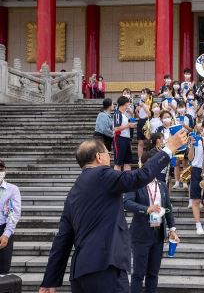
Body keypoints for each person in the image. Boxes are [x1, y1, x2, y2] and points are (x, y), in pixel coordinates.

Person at [39, 132, 187, 293]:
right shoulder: (103, 174)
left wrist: (49, 281)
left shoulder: (74, 191)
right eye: (107, 154)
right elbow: (140, 176)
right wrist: (169, 148)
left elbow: (63, 238)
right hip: (105, 268)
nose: (110, 157)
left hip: (80, 273)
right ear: (98, 157)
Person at [123, 150, 180, 293]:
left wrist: (172, 229)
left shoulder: (162, 185)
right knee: (138, 274)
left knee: (153, 274)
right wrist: (146, 209)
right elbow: (127, 202)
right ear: (142, 164)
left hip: (158, 234)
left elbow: (168, 209)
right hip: (141, 234)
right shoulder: (135, 182)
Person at [0, 159, 21, 274]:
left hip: (3, 230)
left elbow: (13, 214)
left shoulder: (12, 189)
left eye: (1, 169)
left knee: (3, 270)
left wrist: (6, 234)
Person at [113, 96, 136, 171]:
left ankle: (127, 180)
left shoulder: (124, 115)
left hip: (126, 139)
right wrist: (128, 125)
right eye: (127, 105)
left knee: (127, 162)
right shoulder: (117, 114)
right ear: (124, 104)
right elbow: (116, 128)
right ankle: (117, 180)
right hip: (120, 139)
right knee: (118, 163)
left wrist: (130, 126)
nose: (128, 107)